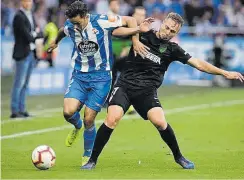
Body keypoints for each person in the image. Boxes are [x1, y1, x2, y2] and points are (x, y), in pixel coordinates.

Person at [82, 12, 244, 170]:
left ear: (177, 32)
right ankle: (92, 159)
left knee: (160, 121)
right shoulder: (144, 33)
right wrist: (136, 32)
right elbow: (115, 32)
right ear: (162, 23)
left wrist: (224, 72)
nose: (168, 32)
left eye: (173, 31)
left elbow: (199, 64)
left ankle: (179, 156)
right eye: (167, 27)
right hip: (124, 86)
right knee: (112, 119)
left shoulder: (173, 49)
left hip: (147, 91)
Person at [48, 0, 152, 166]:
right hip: (79, 76)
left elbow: (131, 21)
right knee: (68, 112)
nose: (74, 25)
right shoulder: (71, 25)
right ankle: (77, 125)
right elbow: (63, 30)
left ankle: (88, 155)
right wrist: (55, 42)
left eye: (76, 22)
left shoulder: (103, 20)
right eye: (72, 22)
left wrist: (136, 41)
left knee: (90, 118)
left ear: (84, 16)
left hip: (101, 77)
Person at [10, 0, 42, 118]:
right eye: (26, 1)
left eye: (30, 1)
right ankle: (15, 110)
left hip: (30, 53)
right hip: (22, 54)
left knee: (25, 84)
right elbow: (27, 36)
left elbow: (40, 32)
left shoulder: (31, 15)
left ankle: (22, 109)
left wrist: (35, 34)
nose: (29, 3)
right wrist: (35, 34)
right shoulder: (19, 16)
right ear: (22, 2)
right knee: (19, 83)